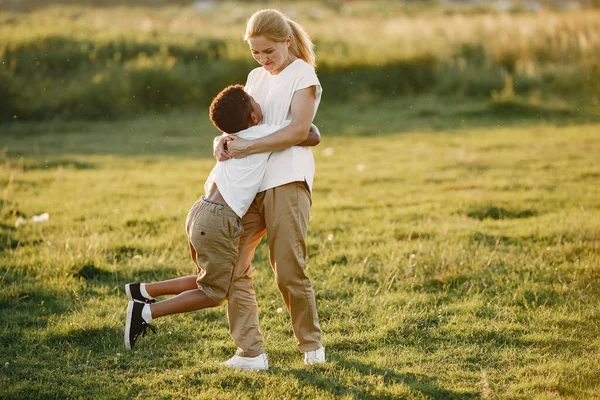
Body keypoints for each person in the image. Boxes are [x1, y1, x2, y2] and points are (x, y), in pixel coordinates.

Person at [124, 84, 320, 358]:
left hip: (201, 212)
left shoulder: (230, 138)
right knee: (214, 294)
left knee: (217, 279)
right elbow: (311, 134)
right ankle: (146, 311)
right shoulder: (260, 132)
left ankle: (143, 290)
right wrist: (286, 127)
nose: (258, 99)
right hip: (219, 219)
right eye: (254, 99)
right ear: (253, 117)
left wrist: (221, 138)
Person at [214, 9, 325, 371]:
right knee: (233, 266)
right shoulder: (254, 77)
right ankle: (251, 353)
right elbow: (244, 125)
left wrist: (249, 147)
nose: (263, 60)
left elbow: (298, 131)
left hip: (287, 181)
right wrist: (224, 141)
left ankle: (311, 347)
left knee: (288, 270)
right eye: (256, 53)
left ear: (286, 42)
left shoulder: (303, 75)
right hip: (250, 185)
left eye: (269, 52)